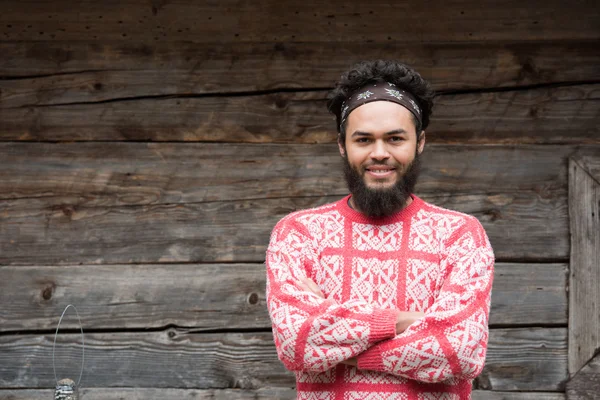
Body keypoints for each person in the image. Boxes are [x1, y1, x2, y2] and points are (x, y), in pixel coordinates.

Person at [265, 60, 495, 399]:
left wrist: (341, 342)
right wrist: (405, 322)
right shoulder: (299, 235)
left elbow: (460, 351)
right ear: (342, 145)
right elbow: (296, 344)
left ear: (420, 142)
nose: (379, 153)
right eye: (363, 140)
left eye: (395, 138)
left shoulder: (460, 236)